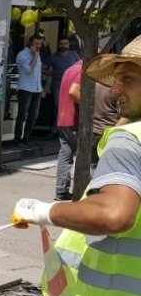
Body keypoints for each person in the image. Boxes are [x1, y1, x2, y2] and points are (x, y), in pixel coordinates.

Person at [10, 34, 141, 296]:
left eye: (128, 78)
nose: (115, 89)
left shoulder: (129, 140)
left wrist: (44, 211)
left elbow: (115, 214)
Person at [54, 60, 83, 201]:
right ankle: (81, 192)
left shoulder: (70, 68)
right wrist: (89, 104)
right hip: (74, 119)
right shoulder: (83, 70)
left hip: (63, 118)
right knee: (84, 156)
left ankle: (61, 190)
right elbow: (73, 91)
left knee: (65, 155)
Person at [44, 37, 81, 139]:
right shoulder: (52, 57)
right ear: (58, 44)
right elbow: (43, 69)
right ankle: (54, 129)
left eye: (65, 44)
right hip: (57, 85)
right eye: (61, 43)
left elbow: (80, 65)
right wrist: (52, 73)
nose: (63, 46)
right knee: (57, 107)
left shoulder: (73, 54)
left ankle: (66, 130)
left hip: (71, 86)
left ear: (68, 45)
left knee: (71, 107)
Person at [14, 34, 45, 148]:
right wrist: (35, 56)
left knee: (33, 116)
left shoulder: (38, 54)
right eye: (36, 44)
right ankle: (17, 140)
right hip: (25, 89)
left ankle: (27, 139)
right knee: (22, 115)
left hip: (36, 89)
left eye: (39, 44)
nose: (38, 46)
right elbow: (29, 70)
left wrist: (41, 88)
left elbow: (38, 73)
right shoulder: (23, 55)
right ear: (30, 43)